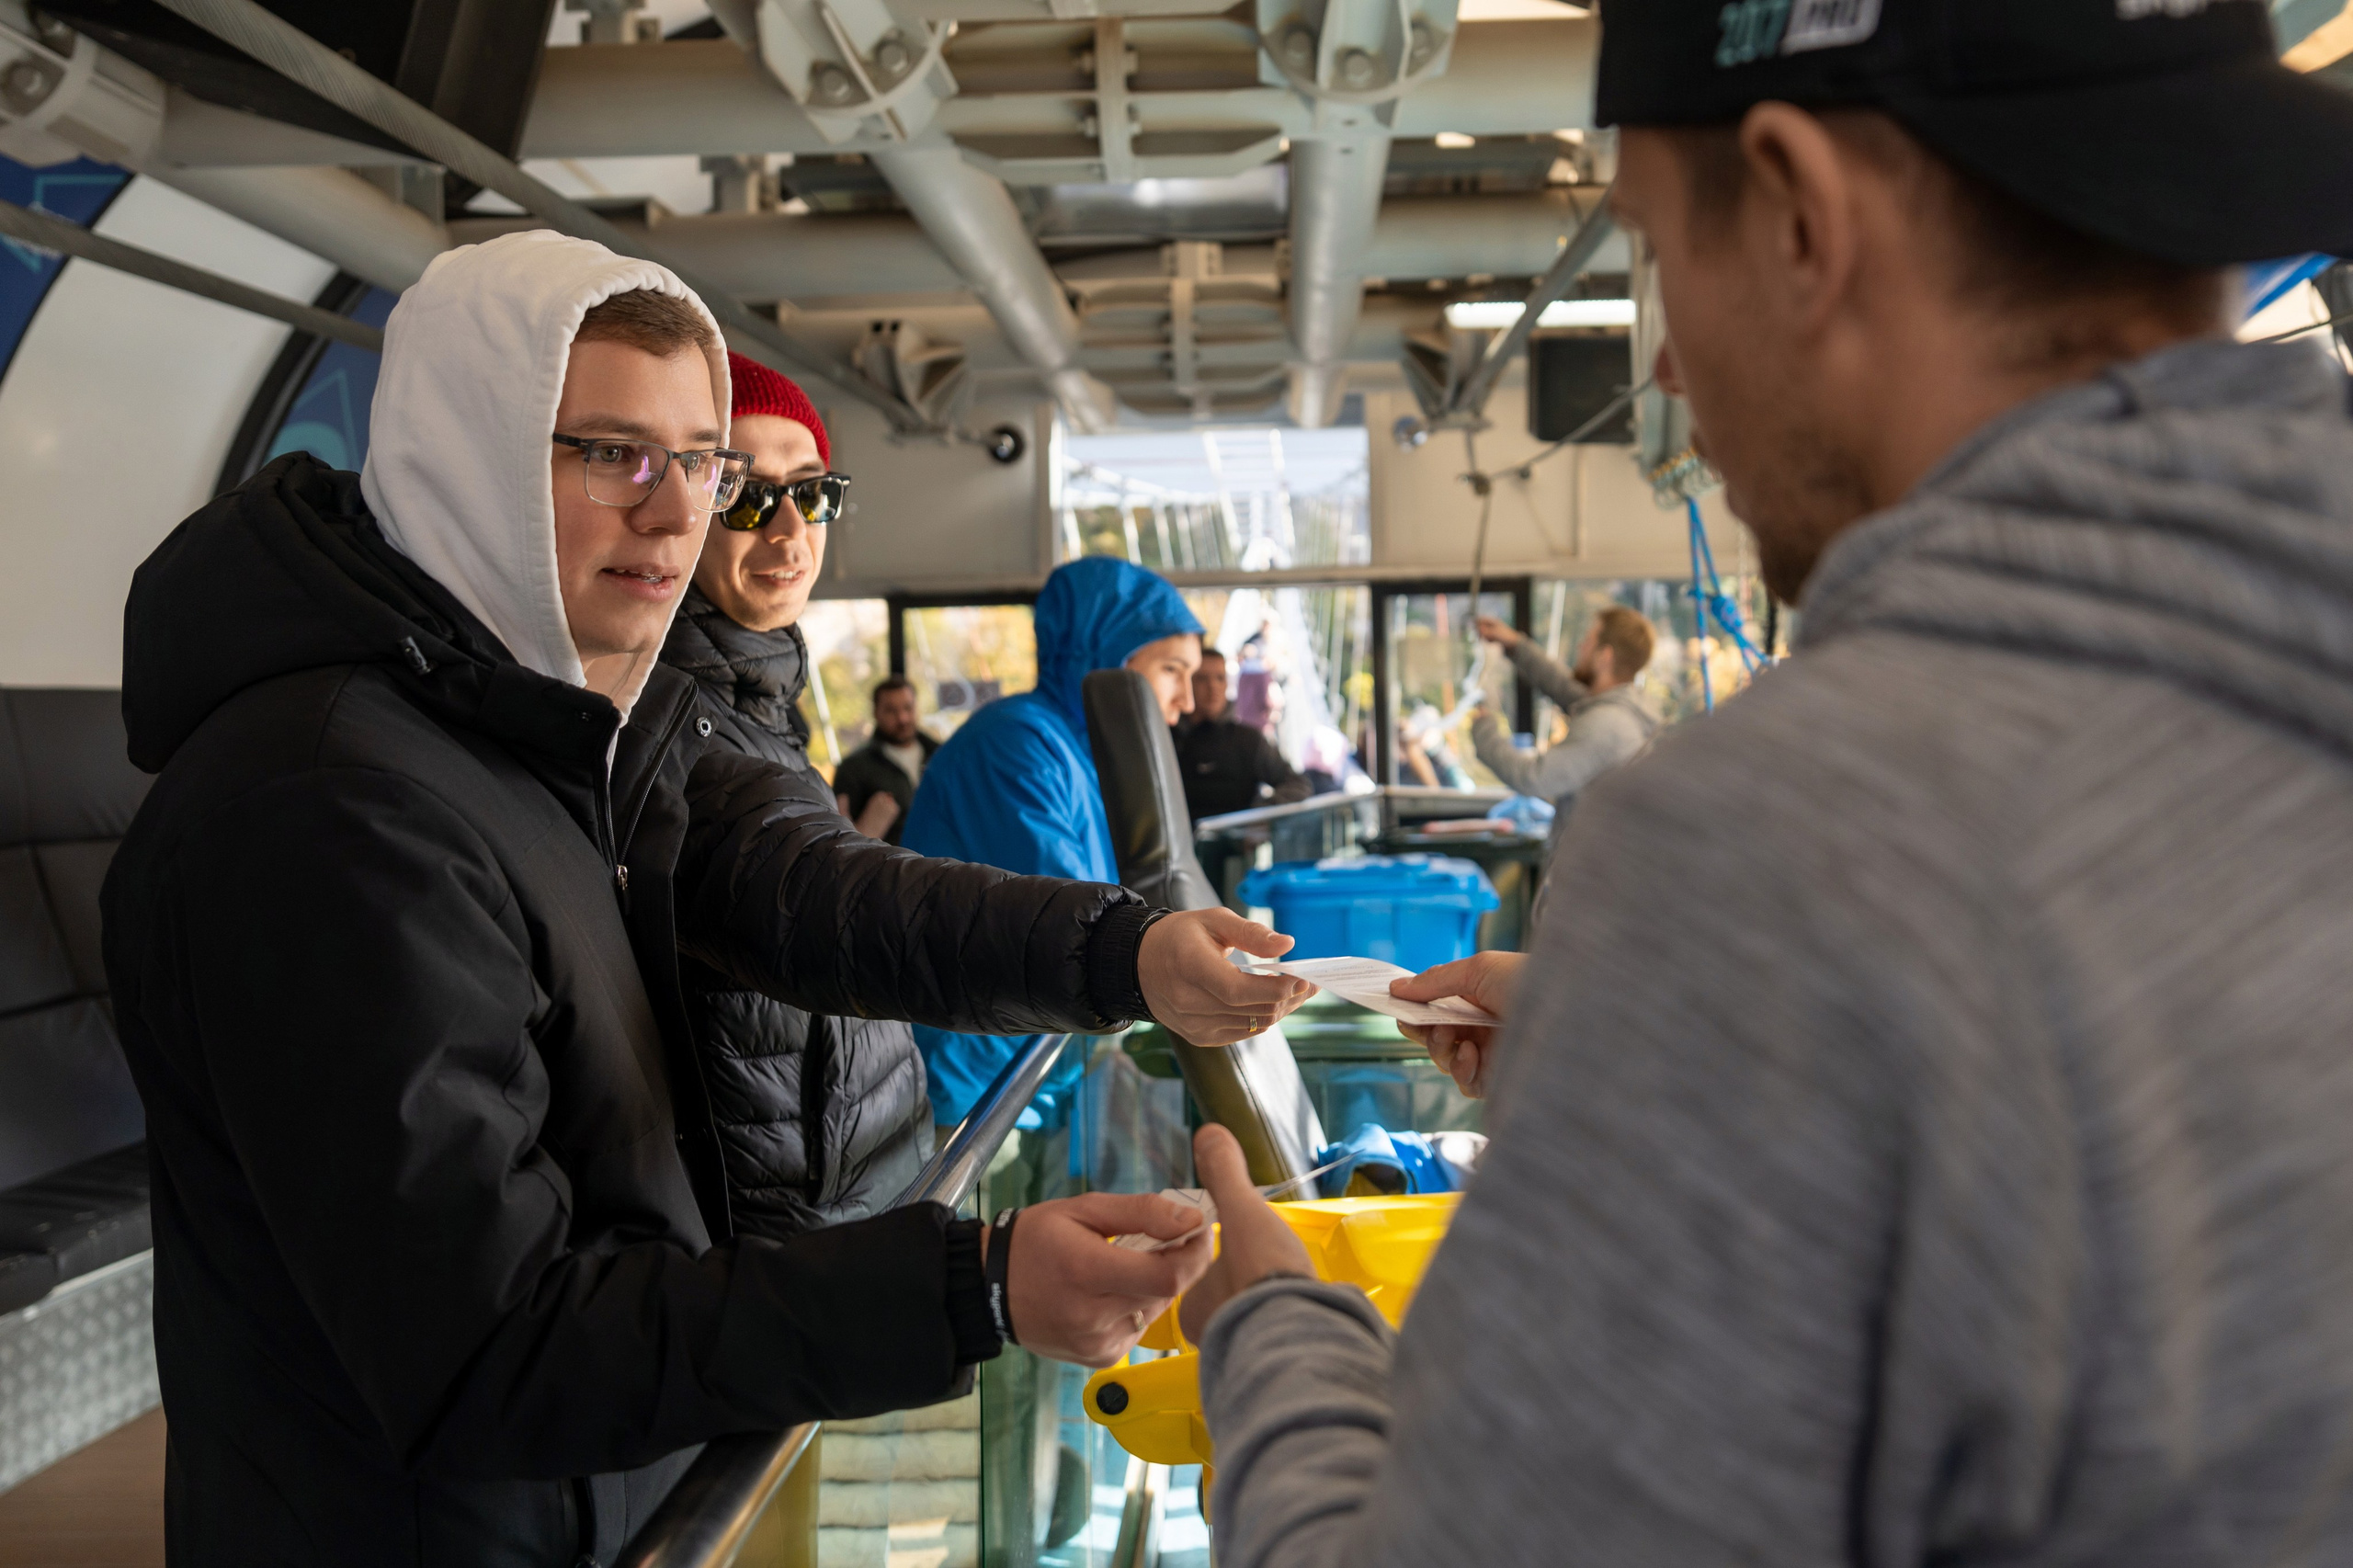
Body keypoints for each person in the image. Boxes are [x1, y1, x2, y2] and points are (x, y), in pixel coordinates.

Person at [1174, 4, 2353, 1564]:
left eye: (1663, 251)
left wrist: (1269, 1333)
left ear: (1800, 211)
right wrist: (1681, 1071)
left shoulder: (1781, 857)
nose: (1665, 357)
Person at [99, 232, 1309, 1566]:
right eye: (612, 452)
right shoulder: (332, 809)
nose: (678, 514)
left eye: (698, 461)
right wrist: (968, 1284)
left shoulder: (550, 727)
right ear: (475, 456)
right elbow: (493, 1343)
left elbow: (826, 899)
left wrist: (1128, 955)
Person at [655, 351, 934, 1233]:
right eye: (740, 491)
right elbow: (834, 911)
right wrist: (1123, 957)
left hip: (859, 1209)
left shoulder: (765, 708)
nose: (788, 532)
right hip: (774, 1248)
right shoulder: (664, 722)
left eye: (809, 493)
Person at [902, 554, 1207, 1127]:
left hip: (1039, 1075)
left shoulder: (1083, 757)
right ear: (1107, 658)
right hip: (973, 1094)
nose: (1186, 701)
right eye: (1172, 670)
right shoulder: (1017, 746)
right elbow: (1074, 918)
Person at [1468, 608, 1660, 910]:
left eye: (1588, 641)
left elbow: (1532, 777)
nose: (1581, 648)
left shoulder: (1607, 725)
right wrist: (1514, 644)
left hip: (1591, 892)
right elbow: (1563, 688)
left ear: (1604, 656)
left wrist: (1484, 729)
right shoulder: (1625, 709)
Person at [1174, 646, 1313, 820]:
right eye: (1202, 679)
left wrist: (1256, 817)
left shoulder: (1248, 740)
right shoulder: (1168, 738)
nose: (1213, 687)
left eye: (1220, 678)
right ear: (1188, 683)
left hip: (1232, 843)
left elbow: (1298, 784)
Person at [833, 675, 937, 846]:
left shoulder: (939, 755)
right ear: (876, 713)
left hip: (947, 863)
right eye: (891, 711)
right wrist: (867, 831)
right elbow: (839, 841)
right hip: (891, 867)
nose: (902, 718)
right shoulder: (853, 768)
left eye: (908, 708)